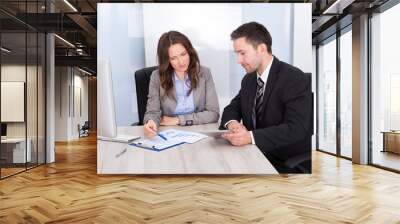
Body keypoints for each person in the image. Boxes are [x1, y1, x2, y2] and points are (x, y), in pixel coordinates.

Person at [220, 22, 313, 173]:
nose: (238, 60)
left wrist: (250, 137)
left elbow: (297, 128)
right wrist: (233, 125)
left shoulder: (293, 77)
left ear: (262, 49)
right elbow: (232, 108)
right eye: (237, 54)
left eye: (242, 53)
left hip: (283, 159)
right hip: (253, 154)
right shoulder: (249, 79)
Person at [143, 31, 220, 138]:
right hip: (169, 132)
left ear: (190, 52)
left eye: (183, 54)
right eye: (173, 58)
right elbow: (152, 112)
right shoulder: (157, 77)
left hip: (199, 131)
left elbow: (213, 114)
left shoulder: (204, 73)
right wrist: (150, 122)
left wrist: (178, 120)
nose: (181, 62)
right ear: (167, 60)